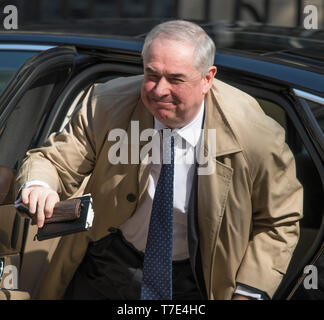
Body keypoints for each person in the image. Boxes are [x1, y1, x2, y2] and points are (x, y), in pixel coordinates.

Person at [16, 20, 303, 300]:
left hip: (200, 276)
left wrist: (248, 292)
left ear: (207, 78)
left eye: (176, 79)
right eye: (151, 75)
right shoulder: (107, 104)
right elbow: (56, 159)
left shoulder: (254, 133)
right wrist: (40, 184)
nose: (158, 90)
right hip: (109, 259)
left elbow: (279, 221)